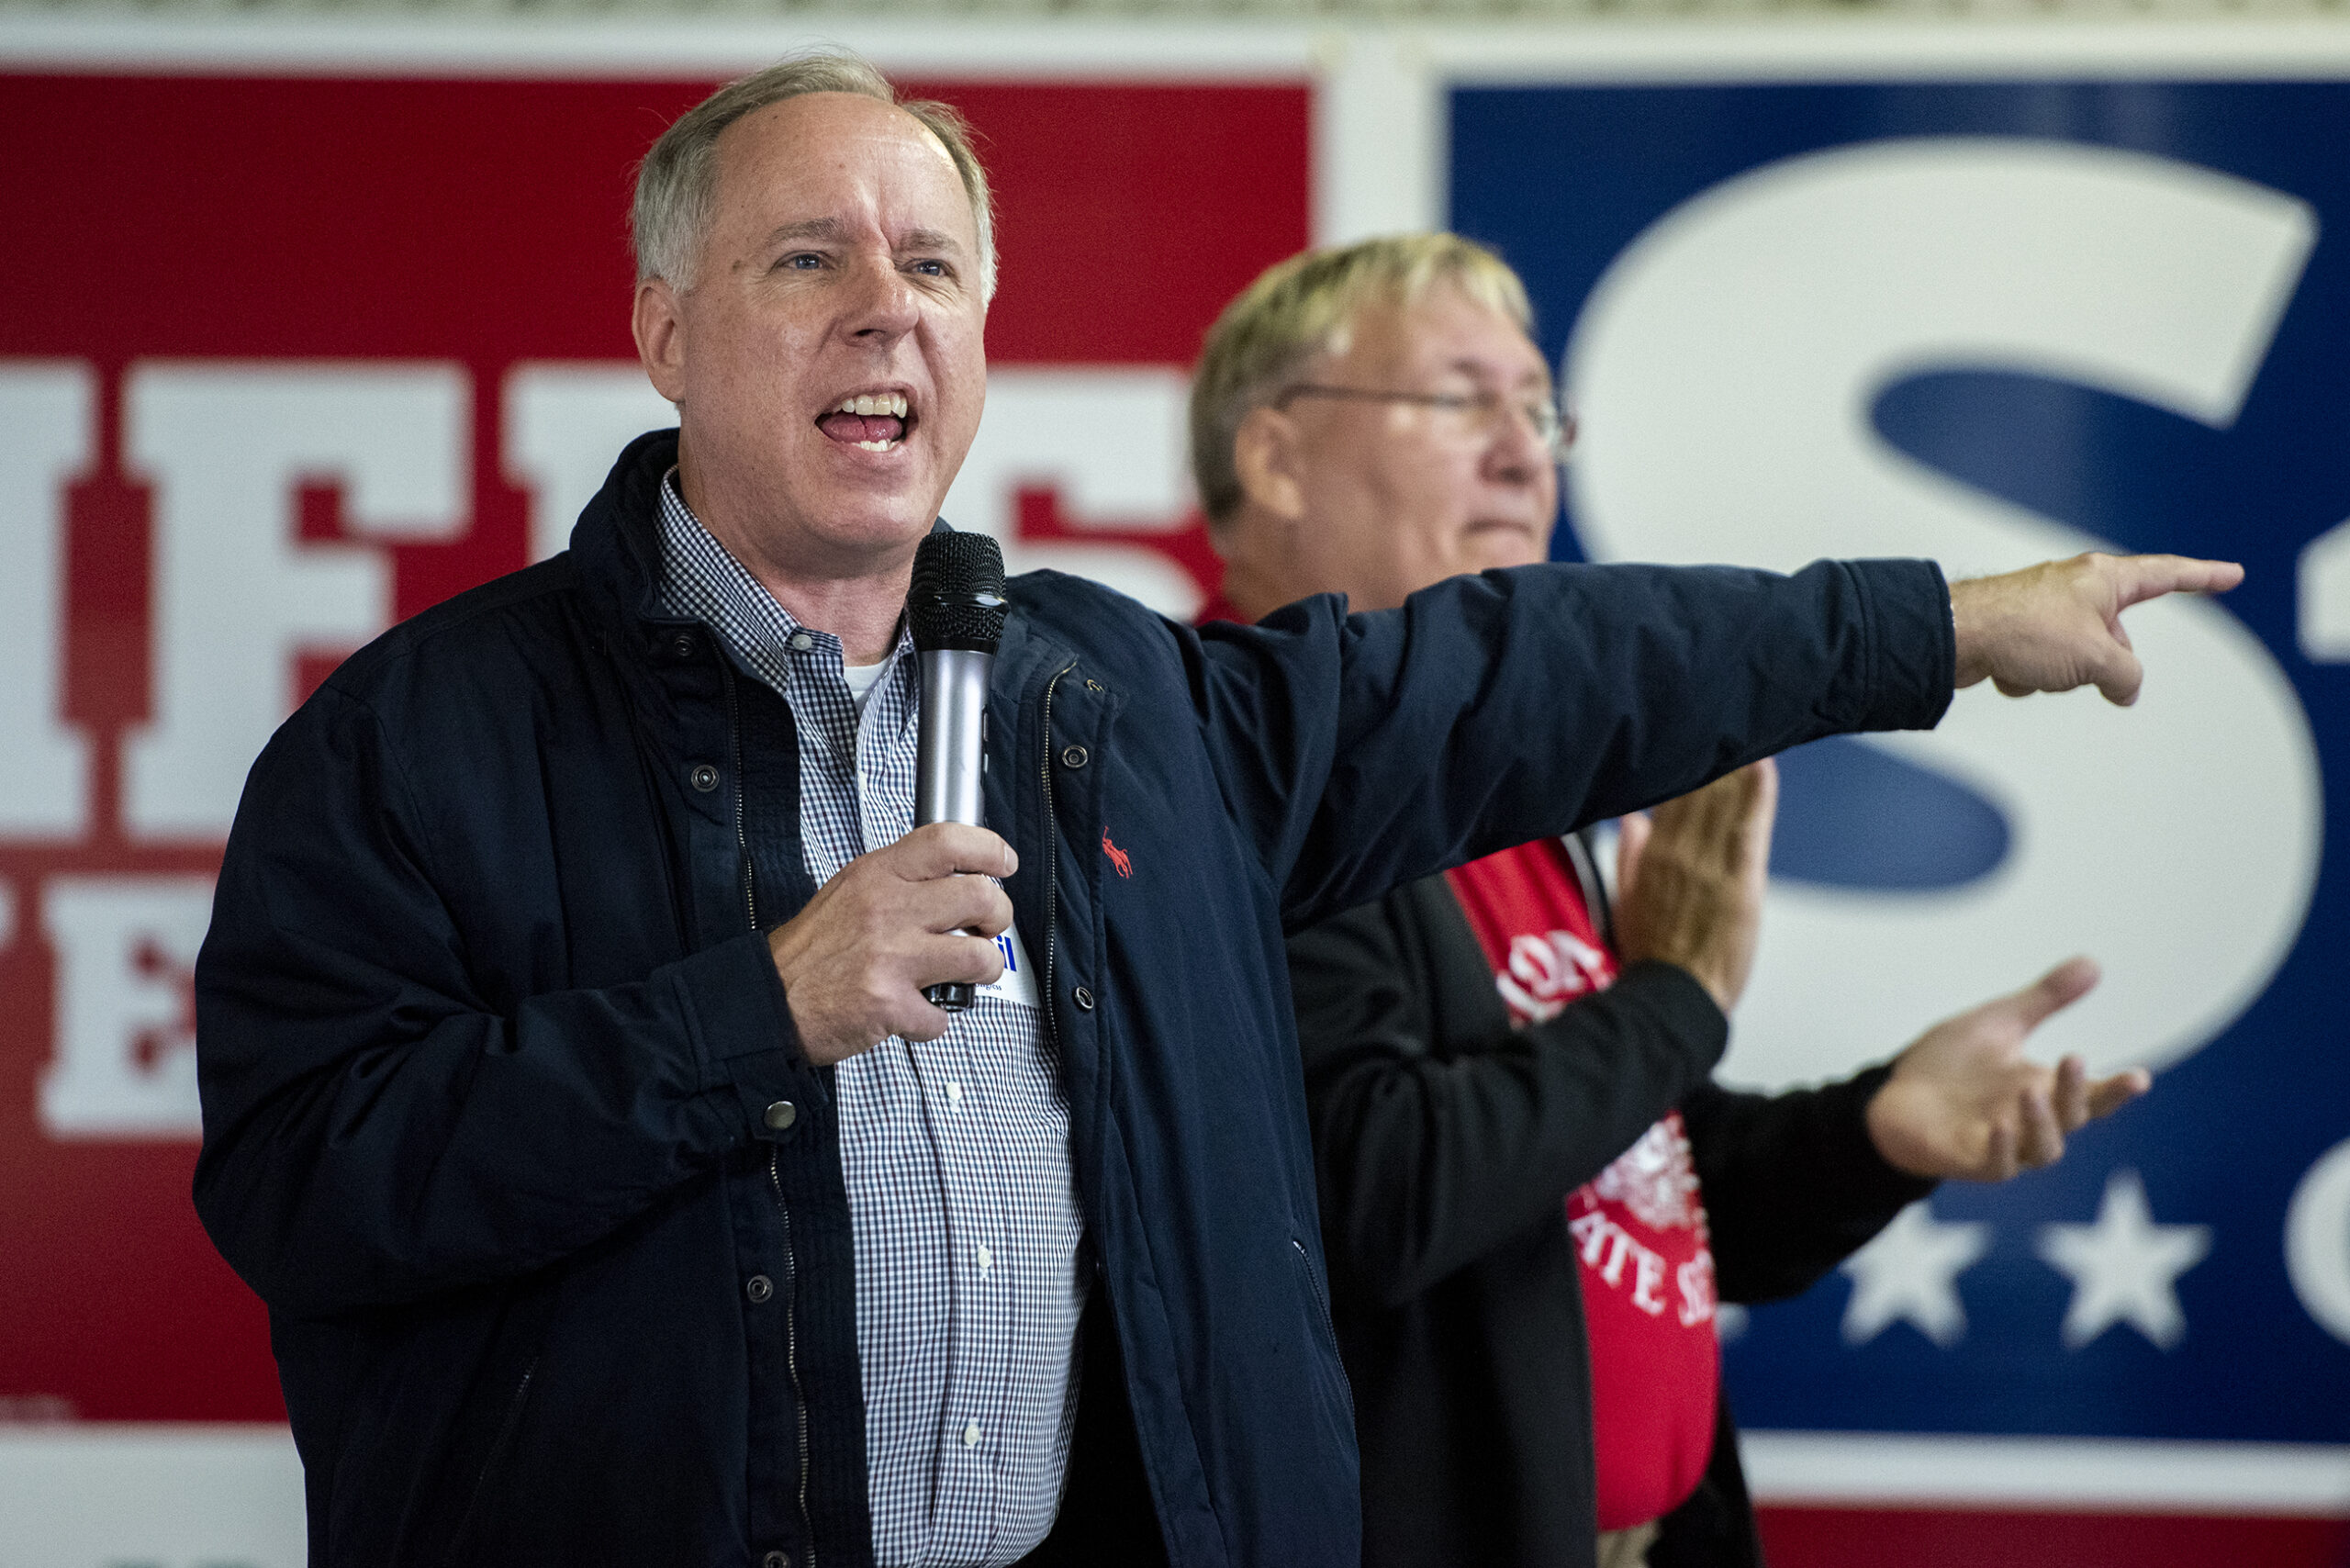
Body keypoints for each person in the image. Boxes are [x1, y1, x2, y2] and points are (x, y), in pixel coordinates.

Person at [192, 59, 2231, 1568]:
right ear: (661, 331)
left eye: (930, 264)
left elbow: (1533, 669)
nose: (882, 307)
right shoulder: (419, 738)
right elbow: (305, 1187)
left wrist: (1938, 625)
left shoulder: (1115, 696)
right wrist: (757, 1008)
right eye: (803, 259)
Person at [1192, 231, 2162, 1568]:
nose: (1527, 453)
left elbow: (1622, 1178)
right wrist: (1674, 1000)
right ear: (1277, 454)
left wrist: (1876, 1132)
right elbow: (1377, 1197)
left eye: (1538, 410)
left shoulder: (1503, 797)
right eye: (1462, 399)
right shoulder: (1222, 786)